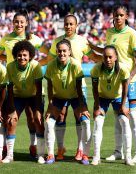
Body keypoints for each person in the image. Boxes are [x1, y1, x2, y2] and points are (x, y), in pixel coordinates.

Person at [40, 14, 102, 161]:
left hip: (78, 86)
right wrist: (35, 64)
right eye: (66, 24)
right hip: (60, 87)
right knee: (61, 116)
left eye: (71, 24)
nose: (68, 26)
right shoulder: (57, 41)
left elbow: (94, 57)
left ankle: (80, 150)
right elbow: (50, 59)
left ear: (76, 25)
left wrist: (108, 58)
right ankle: (60, 149)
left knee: (79, 117)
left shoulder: (82, 41)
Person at [89, 5, 136, 163]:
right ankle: (118, 151)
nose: (118, 18)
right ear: (112, 16)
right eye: (116, 15)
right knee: (118, 115)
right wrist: (94, 47)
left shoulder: (131, 33)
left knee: (131, 115)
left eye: (121, 15)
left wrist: (130, 76)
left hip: (129, 80)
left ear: (126, 16)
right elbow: (109, 52)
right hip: (114, 80)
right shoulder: (110, 32)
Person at [0, 9, 49, 158]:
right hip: (13, 83)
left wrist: (38, 64)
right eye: (16, 21)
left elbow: (50, 54)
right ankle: (6, 149)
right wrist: (8, 61)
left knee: (33, 118)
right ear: (12, 23)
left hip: (31, 84)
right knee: (9, 117)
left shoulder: (34, 39)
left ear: (26, 23)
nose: (19, 24)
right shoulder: (6, 39)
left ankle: (33, 146)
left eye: (21, 22)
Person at [44, 39, 91, 165]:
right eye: (59, 51)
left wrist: (82, 106)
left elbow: (79, 87)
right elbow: (49, 86)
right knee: (49, 122)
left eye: (64, 51)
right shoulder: (51, 65)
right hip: (58, 97)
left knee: (85, 121)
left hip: (75, 96)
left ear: (69, 52)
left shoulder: (75, 65)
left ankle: (83, 153)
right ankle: (51, 154)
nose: (62, 54)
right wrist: (50, 105)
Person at [90, 45, 134, 166]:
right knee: (98, 121)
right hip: (102, 98)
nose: (108, 59)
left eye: (110, 57)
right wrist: (97, 106)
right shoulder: (96, 69)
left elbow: (125, 88)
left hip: (118, 98)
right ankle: (96, 156)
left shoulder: (123, 69)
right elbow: (94, 89)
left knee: (124, 122)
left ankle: (128, 157)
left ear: (115, 58)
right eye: (105, 57)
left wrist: (123, 106)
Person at [3, 40, 45, 164]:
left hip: (34, 96)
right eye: (19, 55)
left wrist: (38, 110)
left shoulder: (35, 66)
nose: (22, 57)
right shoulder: (10, 66)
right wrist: (11, 109)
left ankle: (39, 153)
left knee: (36, 120)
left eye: (25, 55)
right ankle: (10, 155)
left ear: (30, 56)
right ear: (15, 55)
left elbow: (38, 90)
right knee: (11, 121)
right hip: (18, 96)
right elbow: (9, 89)